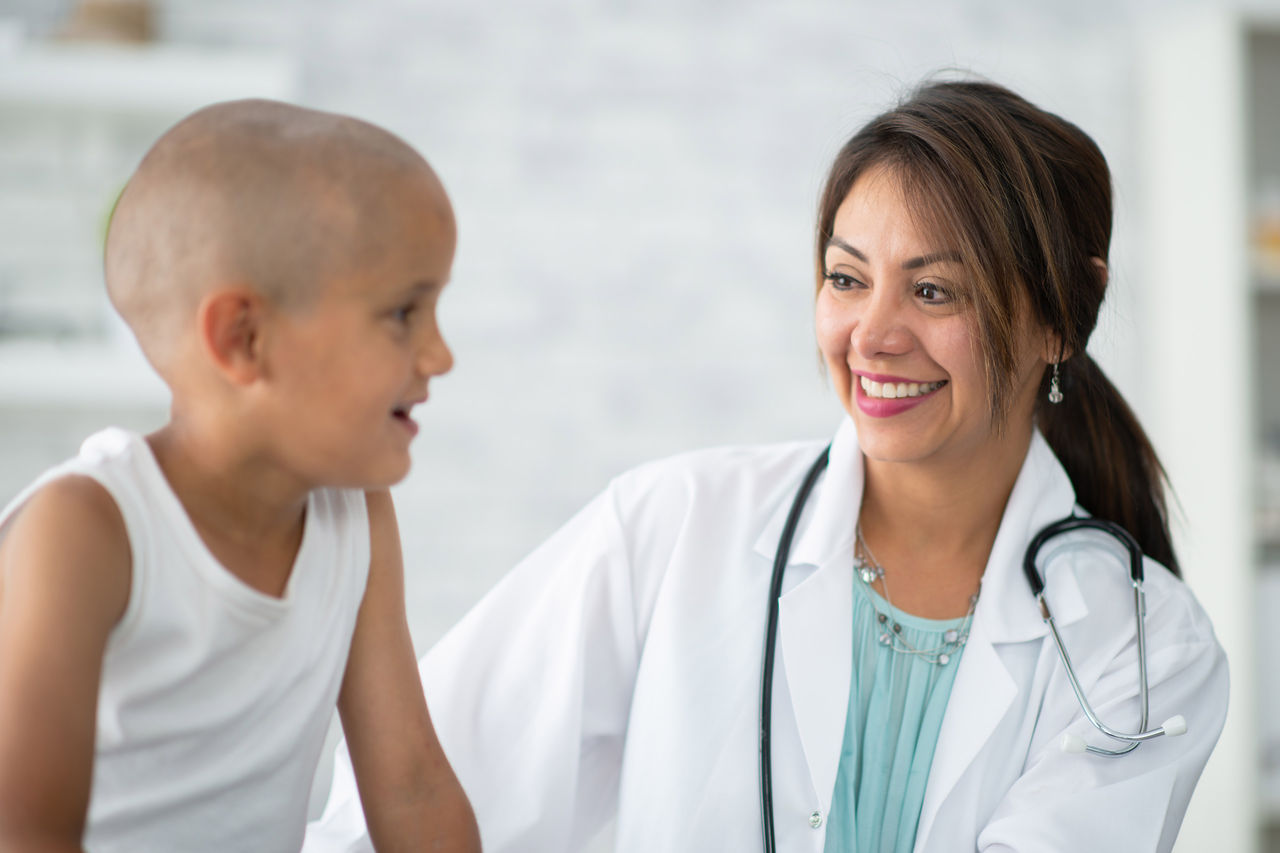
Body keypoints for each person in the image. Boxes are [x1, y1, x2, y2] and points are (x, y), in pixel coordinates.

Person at [307, 80, 1229, 852]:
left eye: (935, 289)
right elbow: (400, 802)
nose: (872, 334)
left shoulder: (1144, 650)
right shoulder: (671, 525)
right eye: (845, 277)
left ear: (1062, 317)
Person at [0, 100, 481, 852]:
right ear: (243, 338)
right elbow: (26, 833)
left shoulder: (353, 514)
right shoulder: (87, 531)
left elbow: (411, 783)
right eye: (402, 314)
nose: (439, 354)